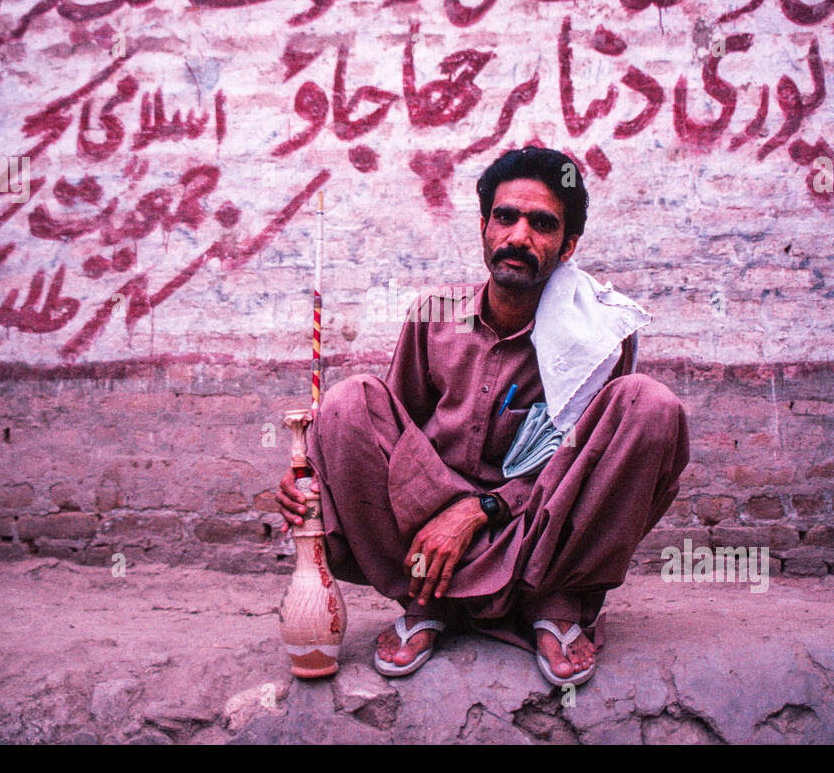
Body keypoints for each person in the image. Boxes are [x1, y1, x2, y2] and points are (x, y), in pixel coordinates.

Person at [276, 146, 690, 687]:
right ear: (483, 227)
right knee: (348, 402)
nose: (518, 237)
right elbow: (389, 433)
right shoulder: (434, 316)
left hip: (533, 526)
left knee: (651, 406)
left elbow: (580, 466)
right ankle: (428, 601)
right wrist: (317, 471)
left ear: (567, 246)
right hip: (426, 527)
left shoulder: (596, 339)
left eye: (542, 224)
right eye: (505, 217)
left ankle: (554, 603)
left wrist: (484, 508)